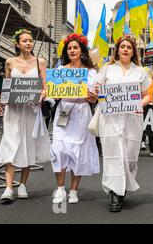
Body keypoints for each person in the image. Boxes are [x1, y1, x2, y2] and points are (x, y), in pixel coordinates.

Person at [95, 35, 151, 212]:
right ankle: (114, 192)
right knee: (113, 154)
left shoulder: (141, 72)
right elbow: (97, 91)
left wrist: (139, 104)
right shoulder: (107, 70)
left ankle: (123, 185)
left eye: (129, 47)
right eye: (122, 46)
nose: (125, 49)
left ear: (133, 51)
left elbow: (148, 95)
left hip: (132, 119)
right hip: (110, 119)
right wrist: (99, 94)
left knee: (129, 154)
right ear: (117, 50)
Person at [0, 29, 51, 203]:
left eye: (30, 40)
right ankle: (8, 188)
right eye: (25, 41)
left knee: (27, 145)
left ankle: (23, 185)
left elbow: (45, 86)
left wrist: (42, 96)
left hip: (30, 112)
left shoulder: (40, 62)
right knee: (11, 145)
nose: (28, 43)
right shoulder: (10, 62)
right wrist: (2, 99)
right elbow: (7, 85)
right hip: (13, 112)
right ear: (17, 44)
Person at [50, 34, 100, 204]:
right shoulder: (60, 70)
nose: (72, 50)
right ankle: (60, 189)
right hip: (63, 111)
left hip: (81, 113)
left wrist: (92, 96)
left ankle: (73, 190)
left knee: (78, 151)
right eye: (69, 48)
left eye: (75, 47)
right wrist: (51, 93)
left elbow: (94, 99)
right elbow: (54, 95)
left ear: (82, 51)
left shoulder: (91, 72)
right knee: (58, 148)